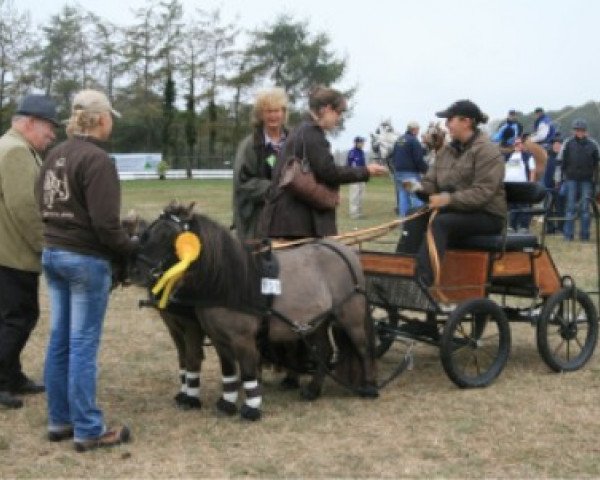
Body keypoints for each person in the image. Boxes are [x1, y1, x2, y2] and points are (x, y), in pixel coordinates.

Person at [37, 89, 137, 451]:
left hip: (52, 253)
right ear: (99, 119)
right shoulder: (97, 160)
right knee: (81, 344)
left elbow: (42, 202)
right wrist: (132, 249)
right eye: (110, 116)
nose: (111, 122)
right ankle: (88, 429)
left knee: (60, 340)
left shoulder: (54, 154)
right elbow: (106, 225)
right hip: (84, 260)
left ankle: (59, 419)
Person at [402, 100, 506, 289]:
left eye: (450, 120)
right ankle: (400, 274)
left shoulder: (488, 152)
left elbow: (482, 193)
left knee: (441, 223)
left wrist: (447, 199)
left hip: (487, 215)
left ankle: (422, 283)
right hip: (454, 210)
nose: (447, 125)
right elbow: (431, 182)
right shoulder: (446, 152)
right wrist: (419, 188)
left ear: (466, 121)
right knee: (413, 215)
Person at [261, 86, 387, 239]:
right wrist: (366, 171)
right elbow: (329, 172)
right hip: (297, 223)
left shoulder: (301, 130)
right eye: (338, 113)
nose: (339, 118)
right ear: (327, 109)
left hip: (287, 220)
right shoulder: (311, 133)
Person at [0, 95, 58, 409]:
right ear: (30, 122)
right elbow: (23, 207)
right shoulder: (16, 152)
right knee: (18, 318)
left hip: (6, 250)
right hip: (12, 253)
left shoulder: (10, 147)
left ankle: (12, 375)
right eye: (49, 127)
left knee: (11, 317)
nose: (52, 135)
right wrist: (44, 245)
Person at [233, 87, 288, 242]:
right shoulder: (250, 146)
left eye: (276, 110)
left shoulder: (294, 141)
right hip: (257, 222)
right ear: (260, 114)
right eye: (268, 111)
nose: (273, 116)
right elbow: (244, 182)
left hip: (289, 221)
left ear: (283, 112)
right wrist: (276, 189)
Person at [559, 118, 600, 241]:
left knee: (585, 208)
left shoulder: (594, 145)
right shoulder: (568, 143)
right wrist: (562, 179)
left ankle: (585, 236)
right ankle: (568, 236)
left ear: (586, 131)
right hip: (571, 179)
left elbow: (597, 165)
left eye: (582, 130)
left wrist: (597, 182)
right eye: (577, 130)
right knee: (570, 207)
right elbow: (563, 162)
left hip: (587, 180)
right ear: (573, 131)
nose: (579, 132)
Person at [391, 121, 428, 217]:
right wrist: (427, 171)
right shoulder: (414, 141)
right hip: (410, 174)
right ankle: (418, 219)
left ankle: (403, 221)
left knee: (403, 196)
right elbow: (418, 159)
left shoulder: (399, 140)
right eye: (418, 130)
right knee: (416, 196)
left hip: (398, 173)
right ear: (415, 130)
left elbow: (393, 156)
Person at [504, 136, 536, 232]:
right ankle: (511, 226)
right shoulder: (507, 156)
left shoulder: (528, 156)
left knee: (523, 207)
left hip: (523, 186)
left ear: (522, 145)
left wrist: (531, 184)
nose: (516, 145)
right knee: (512, 207)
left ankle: (523, 227)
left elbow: (532, 170)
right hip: (510, 186)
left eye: (518, 143)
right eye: (515, 143)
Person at [543, 134, 566, 234]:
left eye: (559, 144)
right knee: (547, 208)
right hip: (548, 187)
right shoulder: (547, 156)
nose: (557, 146)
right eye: (555, 144)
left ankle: (561, 228)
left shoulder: (564, 158)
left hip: (560, 187)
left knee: (560, 208)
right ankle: (550, 228)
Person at [347, 136, 367, 219]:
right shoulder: (352, 152)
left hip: (361, 176)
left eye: (363, 142)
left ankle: (359, 212)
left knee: (361, 195)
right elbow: (349, 165)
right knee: (354, 195)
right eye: (361, 142)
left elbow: (363, 164)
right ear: (356, 143)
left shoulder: (361, 152)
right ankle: (354, 213)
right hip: (354, 176)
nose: (362, 144)